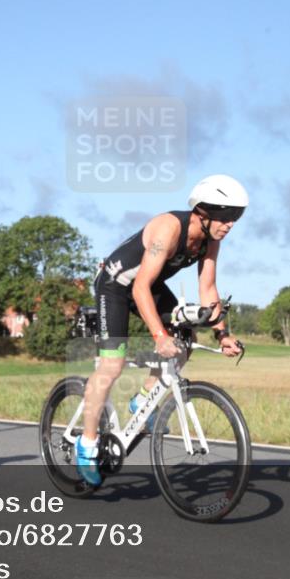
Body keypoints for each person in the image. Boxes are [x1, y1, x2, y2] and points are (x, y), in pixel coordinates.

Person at [77, 175, 248, 486]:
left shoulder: (212, 240)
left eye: (237, 217)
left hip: (150, 286)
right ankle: (86, 445)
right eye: (226, 216)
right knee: (112, 366)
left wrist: (223, 334)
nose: (231, 224)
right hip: (116, 287)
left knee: (185, 340)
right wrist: (159, 336)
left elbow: (208, 289)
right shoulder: (168, 229)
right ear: (203, 212)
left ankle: (142, 400)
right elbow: (139, 287)